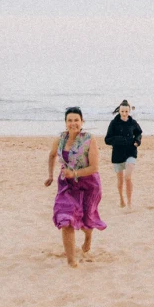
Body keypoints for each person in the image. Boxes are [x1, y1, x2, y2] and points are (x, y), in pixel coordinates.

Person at [45, 107, 105, 268]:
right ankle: (71, 261)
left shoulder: (89, 139)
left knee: (87, 220)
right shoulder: (60, 140)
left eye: (76, 120)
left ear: (82, 122)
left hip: (89, 185)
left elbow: (94, 167)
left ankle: (88, 238)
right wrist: (50, 175)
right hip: (67, 185)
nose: (73, 123)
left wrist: (75, 173)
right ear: (65, 123)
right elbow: (51, 155)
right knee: (66, 219)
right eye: (70, 120)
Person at [105, 100, 142, 210]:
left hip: (131, 152)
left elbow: (139, 133)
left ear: (129, 111)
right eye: (122, 111)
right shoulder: (113, 123)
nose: (124, 113)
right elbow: (107, 139)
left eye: (126, 111)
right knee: (120, 181)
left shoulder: (132, 122)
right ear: (119, 111)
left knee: (128, 177)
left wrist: (137, 141)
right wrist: (119, 140)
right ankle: (121, 198)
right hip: (117, 154)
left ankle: (130, 203)